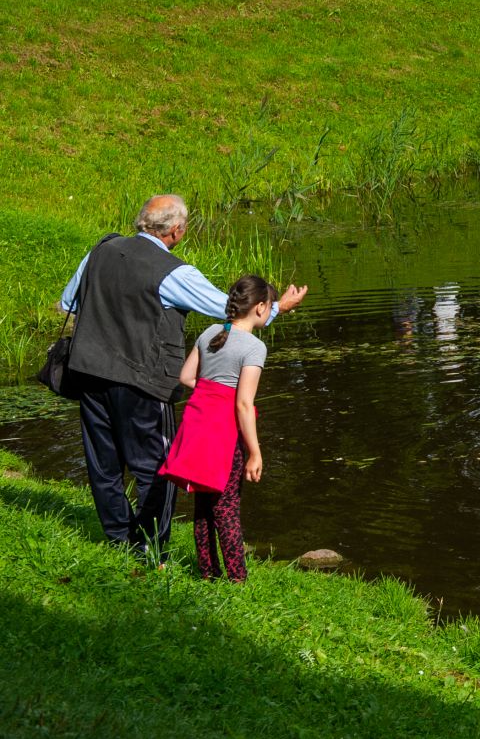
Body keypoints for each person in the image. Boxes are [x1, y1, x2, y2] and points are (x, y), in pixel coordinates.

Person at [57, 195, 306, 560]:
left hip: (89, 372)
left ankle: (118, 542)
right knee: (157, 467)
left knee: (103, 464)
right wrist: (275, 310)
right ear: (176, 231)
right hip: (142, 381)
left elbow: (69, 301)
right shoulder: (174, 272)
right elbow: (230, 310)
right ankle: (149, 546)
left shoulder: (100, 251)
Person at [158, 276, 276, 582]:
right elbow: (243, 405)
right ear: (261, 307)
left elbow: (185, 378)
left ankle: (208, 572)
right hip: (223, 432)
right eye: (271, 305)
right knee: (227, 506)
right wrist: (255, 452)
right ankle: (237, 578)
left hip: (197, 425)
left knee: (203, 502)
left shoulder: (211, 332)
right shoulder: (254, 347)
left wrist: (212, 392)